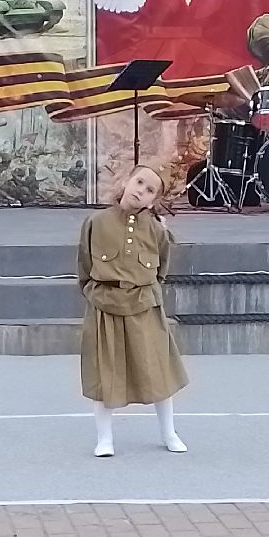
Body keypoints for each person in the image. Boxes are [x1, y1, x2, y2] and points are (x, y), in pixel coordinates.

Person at [78, 165, 188, 458]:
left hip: (143, 307)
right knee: (105, 372)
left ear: (153, 200)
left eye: (150, 190)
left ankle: (169, 433)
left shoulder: (156, 231)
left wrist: (147, 293)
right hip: (106, 306)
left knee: (158, 370)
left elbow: (161, 270)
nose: (141, 190)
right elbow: (84, 267)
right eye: (139, 182)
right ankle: (104, 439)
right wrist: (94, 292)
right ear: (126, 182)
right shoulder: (96, 222)